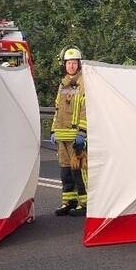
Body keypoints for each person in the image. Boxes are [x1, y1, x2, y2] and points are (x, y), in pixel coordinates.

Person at [49, 46, 88, 216]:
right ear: (64, 65)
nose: (71, 66)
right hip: (62, 134)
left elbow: (86, 108)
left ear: (79, 64)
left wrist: (82, 132)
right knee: (65, 171)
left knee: (78, 170)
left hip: (75, 136)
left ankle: (84, 203)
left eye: (74, 63)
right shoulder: (64, 84)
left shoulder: (84, 83)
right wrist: (53, 130)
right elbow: (58, 108)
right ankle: (69, 201)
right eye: (68, 63)